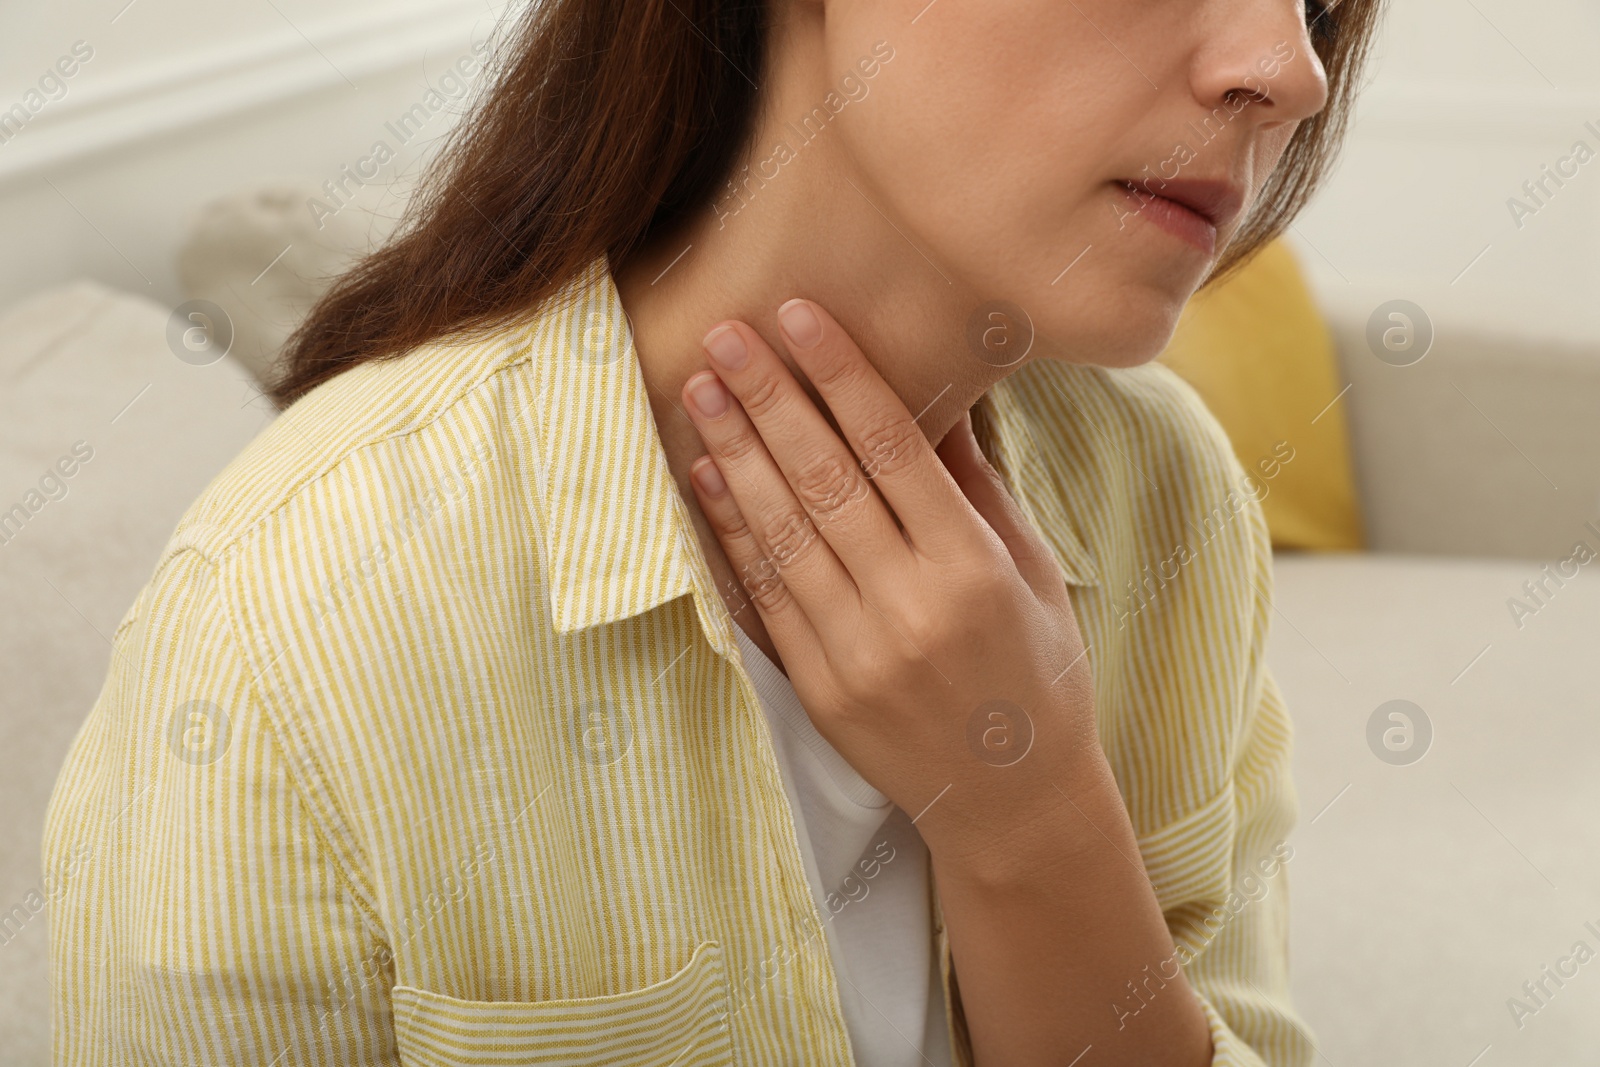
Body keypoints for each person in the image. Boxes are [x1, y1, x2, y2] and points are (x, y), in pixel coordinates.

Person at [45, 0, 1383, 1063]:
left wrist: (1031, 820)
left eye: (1320, 0)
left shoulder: (1171, 495)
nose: (1291, 64)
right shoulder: (293, 613)